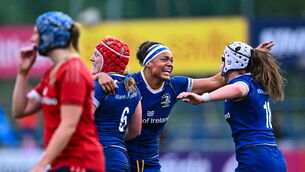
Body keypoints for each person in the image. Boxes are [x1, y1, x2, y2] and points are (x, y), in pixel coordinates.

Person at [96, 40, 274, 171]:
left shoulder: (175, 85)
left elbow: (215, 81)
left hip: (148, 160)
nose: (170, 64)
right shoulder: (131, 83)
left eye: (172, 60)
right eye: (165, 59)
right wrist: (99, 76)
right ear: (149, 63)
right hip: (120, 156)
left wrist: (249, 58)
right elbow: (100, 82)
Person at [12, 11, 104, 172]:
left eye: (36, 34)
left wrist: (41, 164)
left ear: (50, 35)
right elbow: (20, 110)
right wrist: (22, 73)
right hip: (62, 163)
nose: (33, 40)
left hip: (80, 163)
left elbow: (69, 125)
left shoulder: (72, 70)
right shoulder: (53, 72)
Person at [177, 41, 287, 172]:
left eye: (223, 59)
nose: (221, 64)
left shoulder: (241, 83)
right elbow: (224, 81)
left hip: (256, 158)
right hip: (272, 155)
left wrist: (203, 98)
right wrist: (252, 55)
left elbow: (239, 89)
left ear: (230, 62)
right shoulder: (254, 80)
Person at [90, 37, 142, 172]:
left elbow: (81, 122)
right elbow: (136, 130)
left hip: (98, 157)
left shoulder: (99, 87)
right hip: (120, 157)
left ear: (108, 60)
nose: (91, 58)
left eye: (96, 55)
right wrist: (114, 139)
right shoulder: (133, 87)